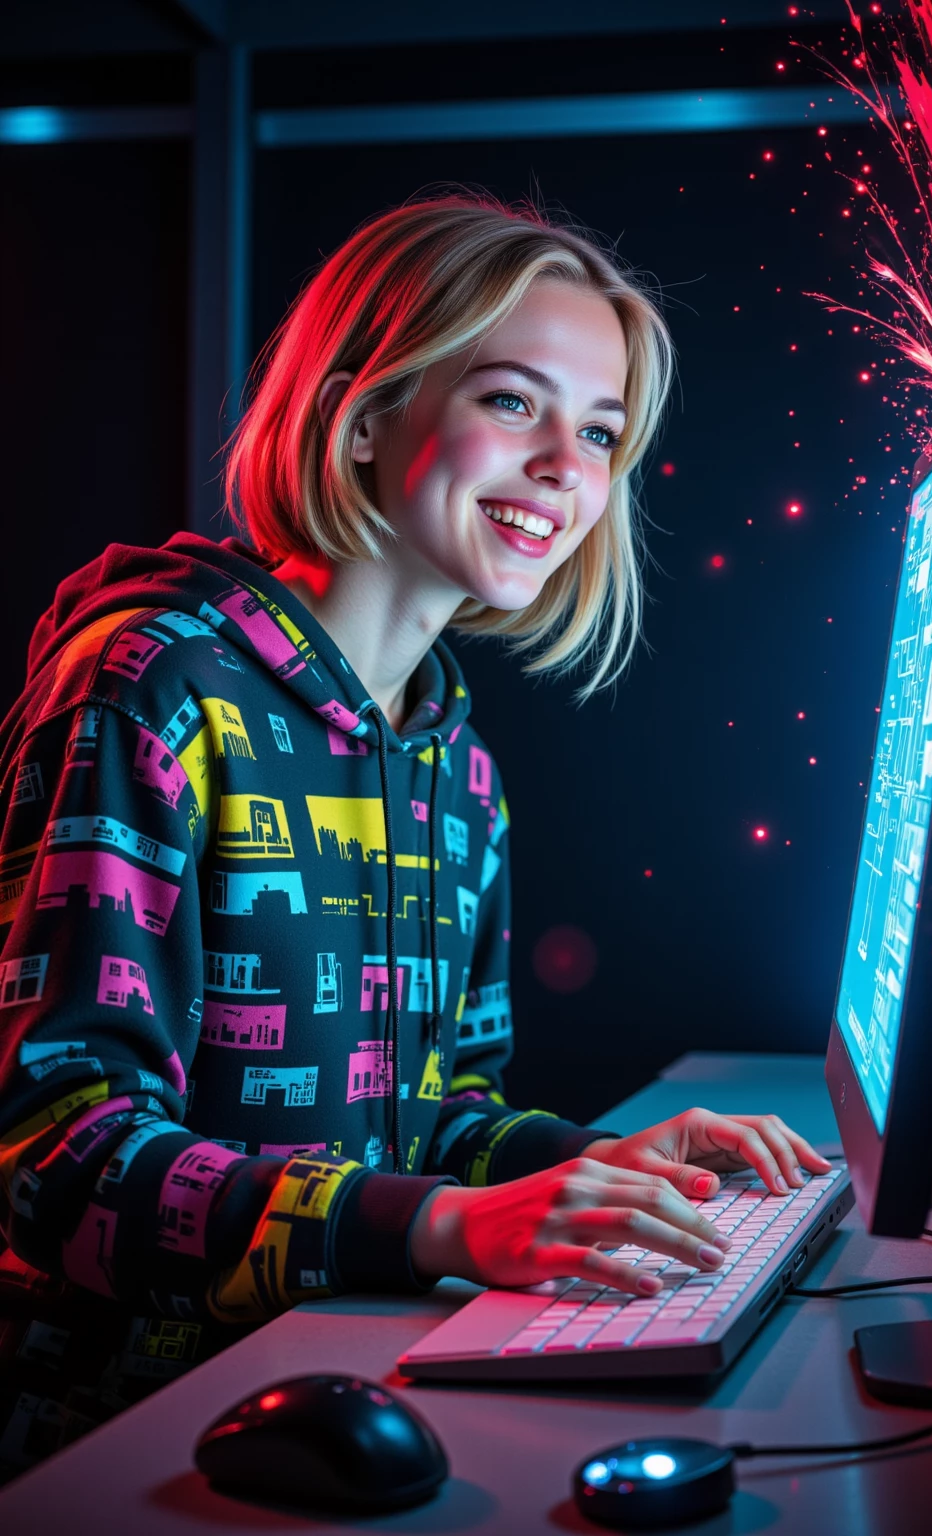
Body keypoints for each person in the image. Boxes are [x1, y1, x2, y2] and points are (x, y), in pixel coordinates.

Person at [0, 190, 830, 1484]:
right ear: (369, 412)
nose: (569, 465)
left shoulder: (459, 770)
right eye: (514, 402)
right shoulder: (153, 690)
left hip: (327, 1372)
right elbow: (60, 1161)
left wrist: (584, 1166)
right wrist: (446, 1226)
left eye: (600, 430)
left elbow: (434, 1117)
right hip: (110, 1442)